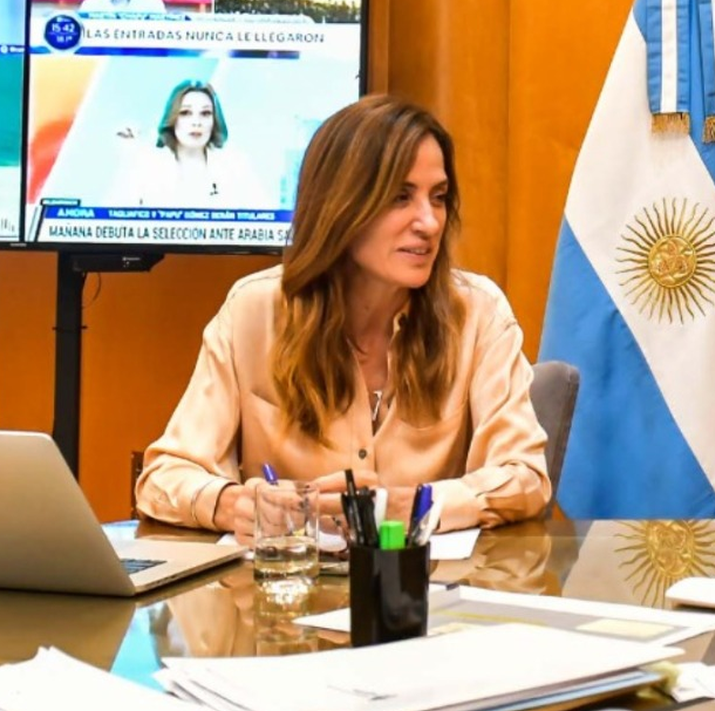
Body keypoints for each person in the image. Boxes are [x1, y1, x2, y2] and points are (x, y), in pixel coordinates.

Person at [135, 95, 551, 539]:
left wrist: (415, 504)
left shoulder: (477, 313)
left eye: (439, 197)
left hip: (427, 595)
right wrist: (237, 504)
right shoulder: (254, 312)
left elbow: (525, 478)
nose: (429, 223)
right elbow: (164, 476)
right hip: (285, 595)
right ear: (340, 206)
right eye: (400, 197)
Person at [114, 80, 265, 208]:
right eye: (185, 113)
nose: (196, 122)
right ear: (172, 118)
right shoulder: (146, 166)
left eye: (205, 114)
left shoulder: (236, 166)